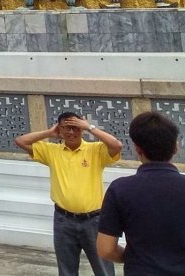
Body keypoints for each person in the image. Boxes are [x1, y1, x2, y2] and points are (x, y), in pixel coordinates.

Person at [16, 110, 122, 276]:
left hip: (93, 221)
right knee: (66, 270)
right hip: (63, 220)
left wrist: (89, 127)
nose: (71, 132)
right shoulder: (52, 151)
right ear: (60, 130)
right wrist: (49, 133)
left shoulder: (95, 150)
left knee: (103, 269)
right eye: (67, 128)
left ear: (82, 129)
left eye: (76, 128)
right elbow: (20, 141)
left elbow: (117, 146)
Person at [97, 111, 185, 274]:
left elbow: (105, 249)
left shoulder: (120, 189)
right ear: (175, 147)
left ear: (137, 148)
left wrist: (133, 258)